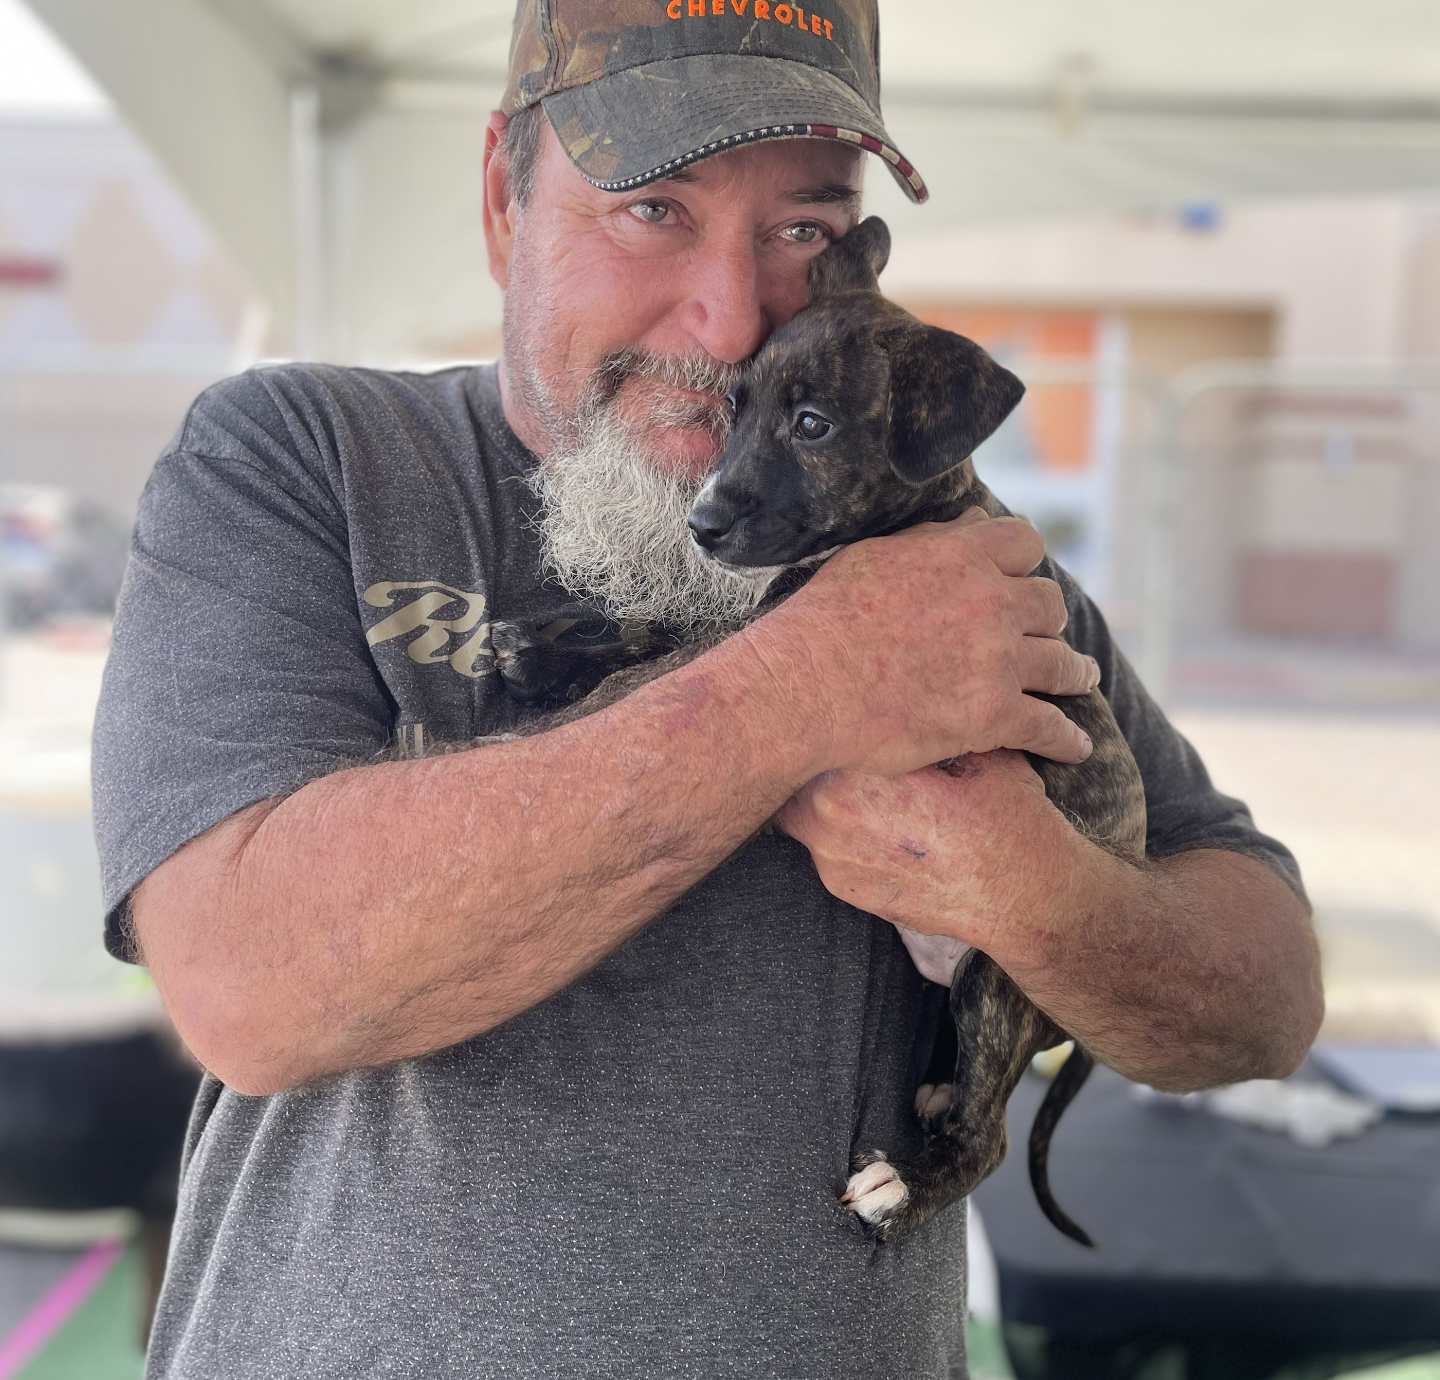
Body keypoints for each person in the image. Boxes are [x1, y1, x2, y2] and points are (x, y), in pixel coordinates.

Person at [92, 2, 1322, 1375]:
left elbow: (1264, 995)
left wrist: (1027, 886)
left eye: (803, 227)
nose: (734, 320)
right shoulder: (307, 459)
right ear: (506, 202)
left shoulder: (940, 551)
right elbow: (249, 985)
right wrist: (797, 687)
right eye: (656, 209)